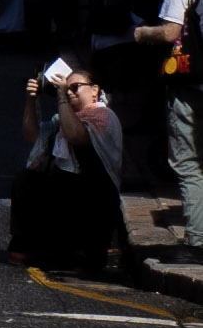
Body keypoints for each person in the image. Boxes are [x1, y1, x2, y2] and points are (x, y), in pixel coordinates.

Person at [10, 64, 123, 272]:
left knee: (67, 187)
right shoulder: (62, 119)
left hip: (95, 196)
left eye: (75, 87)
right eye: (66, 88)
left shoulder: (103, 115)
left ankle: (78, 249)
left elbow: (76, 135)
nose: (70, 93)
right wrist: (30, 100)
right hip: (67, 192)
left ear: (95, 90)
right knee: (25, 180)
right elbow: (34, 137)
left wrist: (61, 95)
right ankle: (25, 245)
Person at [131, 0, 203, 253]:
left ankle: (199, 239)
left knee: (189, 162)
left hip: (192, 85)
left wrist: (142, 33)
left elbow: (170, 33)